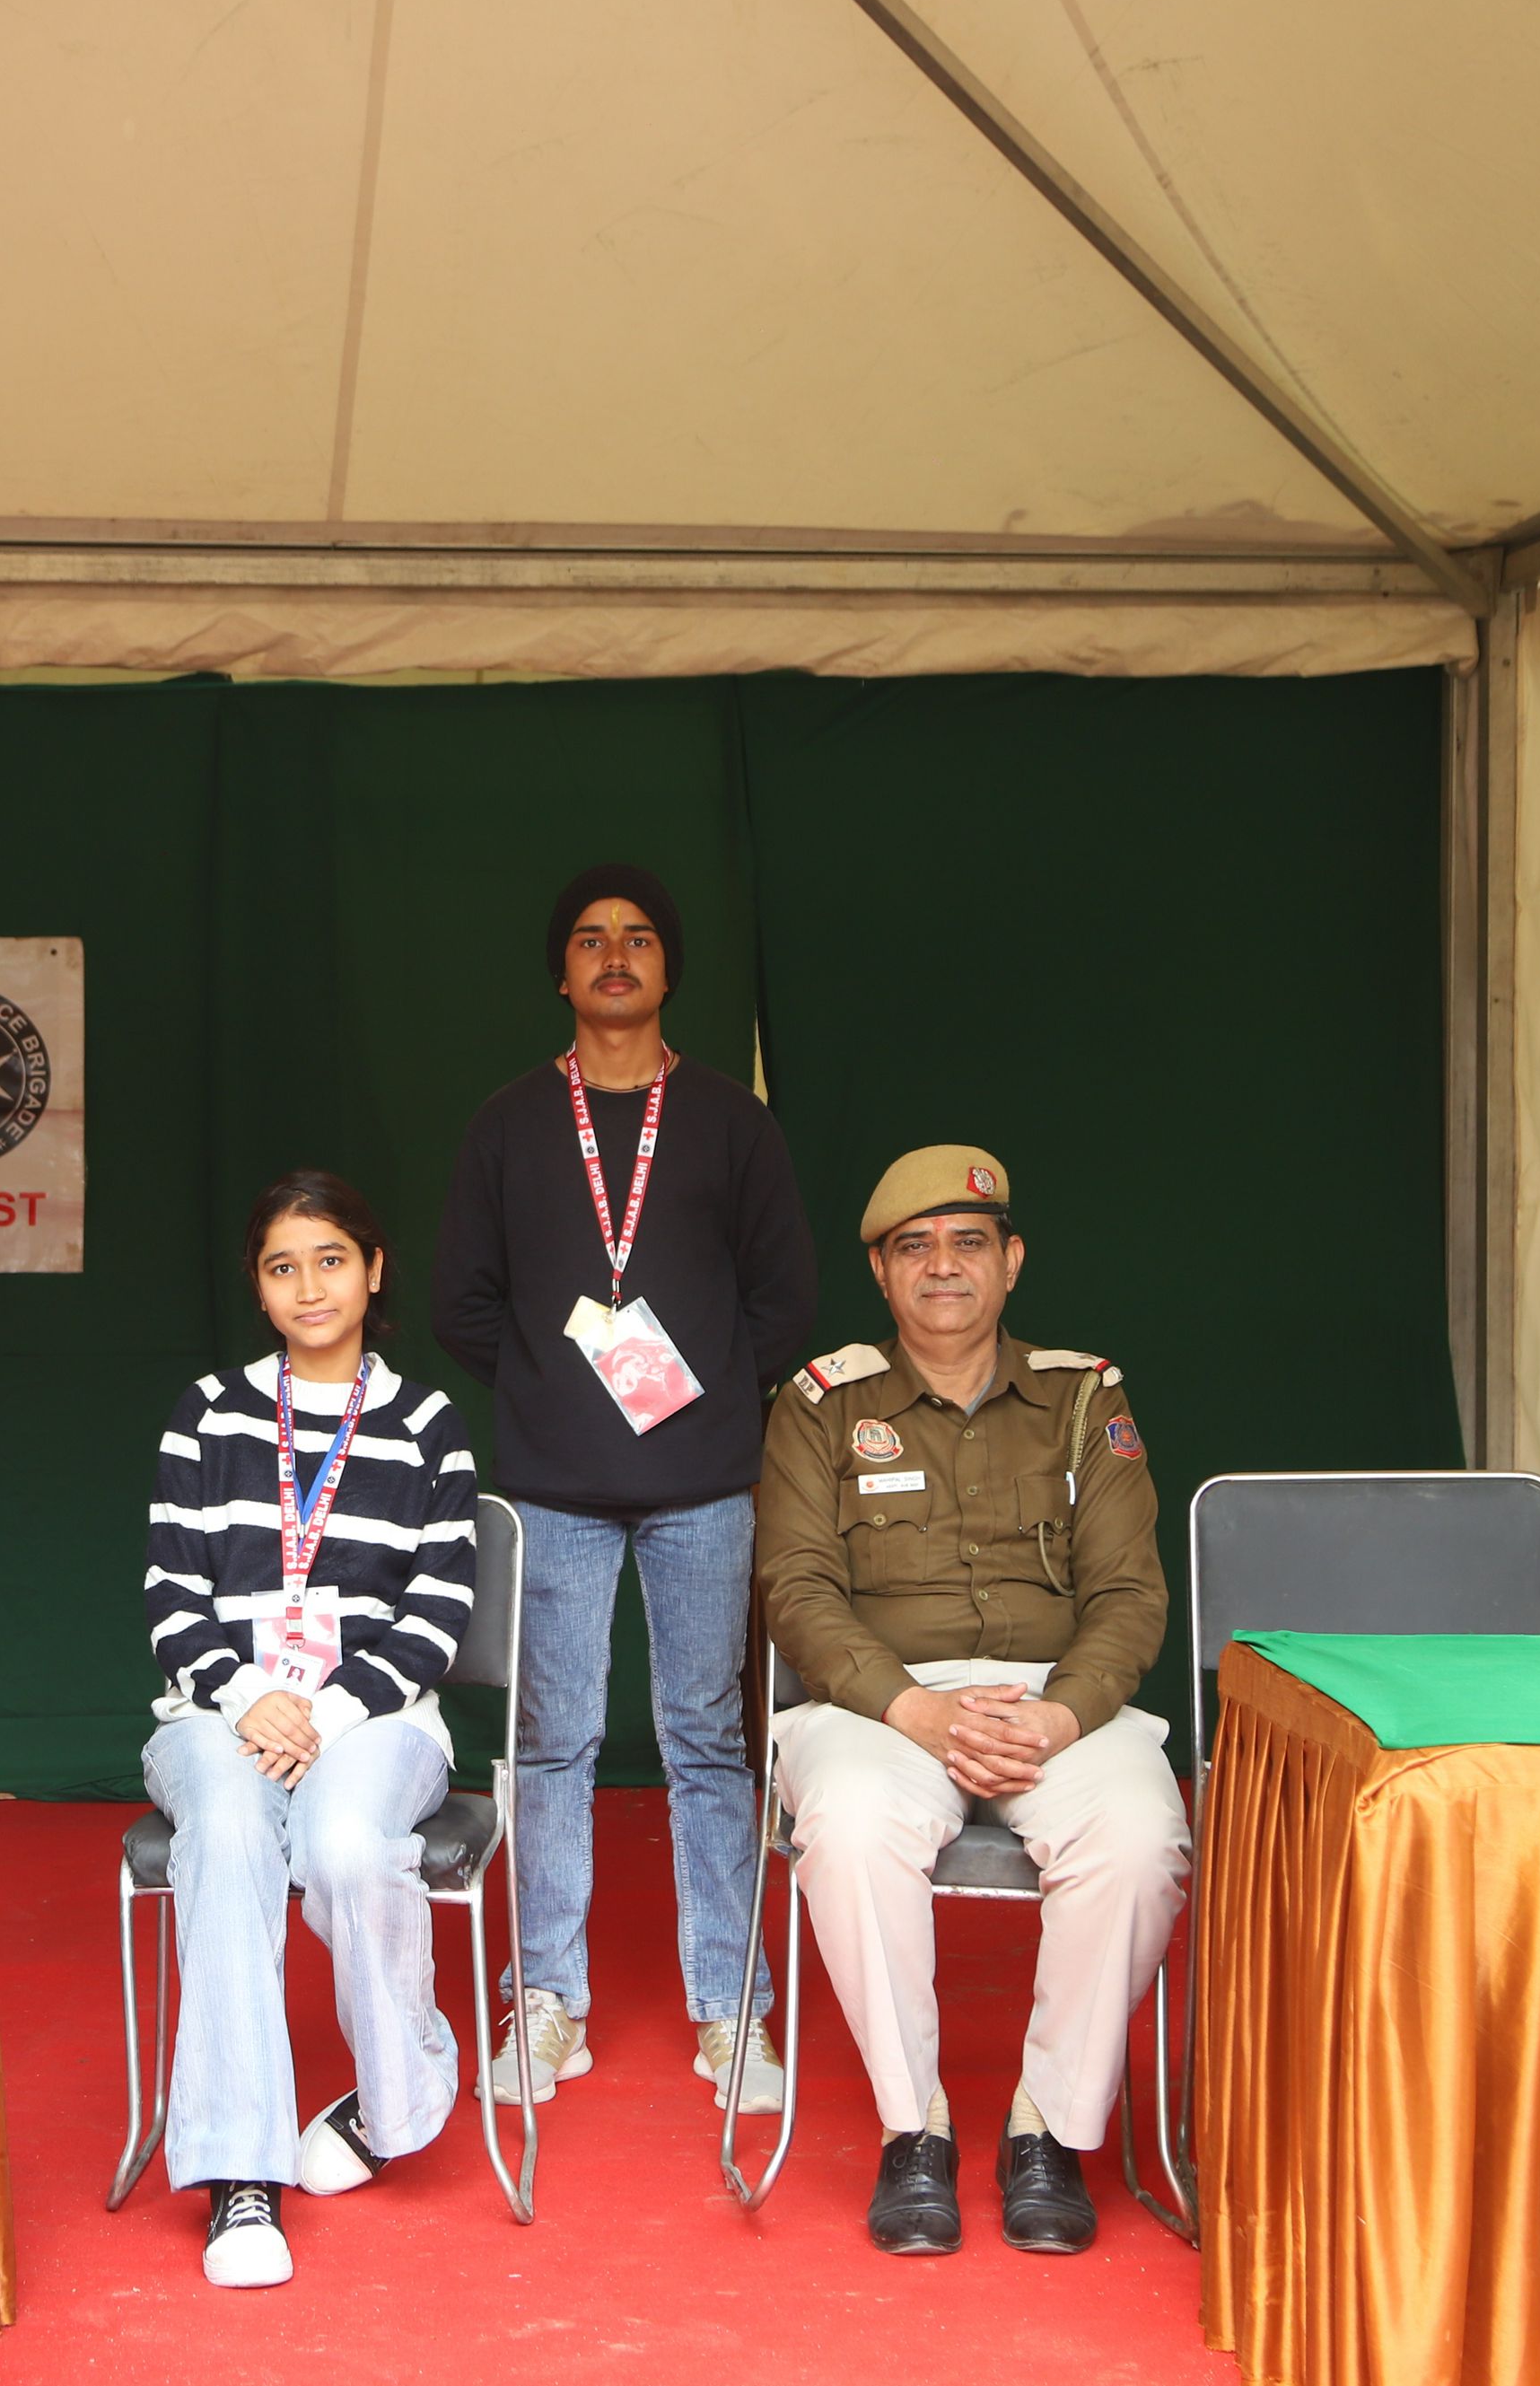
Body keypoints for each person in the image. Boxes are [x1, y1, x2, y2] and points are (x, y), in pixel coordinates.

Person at [752, 1147, 1189, 2258]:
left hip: (1056, 1702)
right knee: (849, 1828)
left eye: (968, 1243)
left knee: (1140, 1836)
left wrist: (1059, 1714)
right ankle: (917, 2128)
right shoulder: (821, 1404)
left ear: (1012, 1260)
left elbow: (1130, 1593)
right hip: (880, 1709)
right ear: (881, 1272)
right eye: (914, 1247)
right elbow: (796, 1592)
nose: (942, 1265)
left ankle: (1049, 2125)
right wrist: (918, 1712)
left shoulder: (1085, 1396)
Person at [433, 865, 815, 2113]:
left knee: (707, 1739)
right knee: (551, 1744)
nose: (614, 954)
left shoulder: (730, 1122)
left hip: (705, 1480)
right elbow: (462, 1303)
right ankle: (548, 1999)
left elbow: (784, 1300)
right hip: (553, 1485)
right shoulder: (506, 1123)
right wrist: (556, 1385)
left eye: (638, 938)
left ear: (667, 968)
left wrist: (701, 1394)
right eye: (590, 939)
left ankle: (730, 2007)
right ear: (561, 973)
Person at [141, 1171, 482, 2288]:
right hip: (220, 1713)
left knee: (342, 1846)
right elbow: (171, 1596)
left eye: (331, 1259)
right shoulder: (208, 1413)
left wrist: (327, 1710)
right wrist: (249, 1695)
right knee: (232, 1834)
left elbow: (438, 1612)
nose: (310, 1286)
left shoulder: (428, 1424)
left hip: (378, 1716)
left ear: (374, 1269)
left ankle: (397, 2093)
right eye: (282, 1267)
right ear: (259, 1287)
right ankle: (242, 2170)